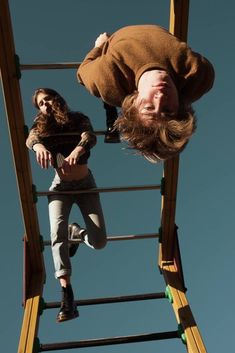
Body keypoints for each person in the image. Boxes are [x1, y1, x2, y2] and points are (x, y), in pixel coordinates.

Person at [26, 88, 107, 323]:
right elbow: (31, 139)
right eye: (41, 103)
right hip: (60, 187)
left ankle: (78, 233)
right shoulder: (41, 127)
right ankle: (67, 294)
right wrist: (38, 147)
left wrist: (79, 149)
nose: (46, 105)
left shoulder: (77, 118)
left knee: (99, 242)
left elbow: (89, 135)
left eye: (48, 99)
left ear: (58, 99)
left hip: (85, 185)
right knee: (56, 234)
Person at [77, 24, 215, 162]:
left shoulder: (107, 79)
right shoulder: (197, 76)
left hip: (118, 35)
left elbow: (82, 72)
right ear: (179, 106)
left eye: (149, 108)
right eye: (167, 110)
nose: (160, 98)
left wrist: (99, 46)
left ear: (134, 103)